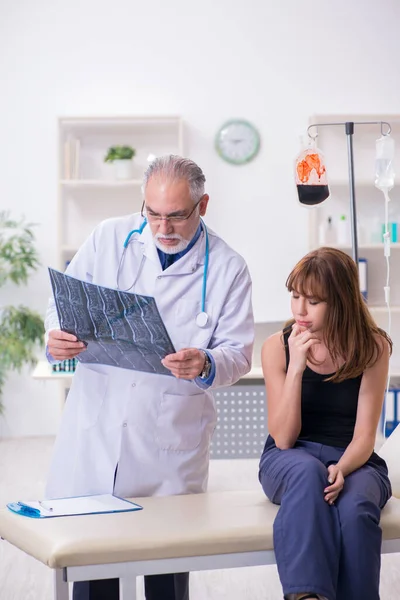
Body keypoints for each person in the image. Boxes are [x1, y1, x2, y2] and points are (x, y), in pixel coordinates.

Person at [44, 155, 254, 600]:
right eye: (153, 213)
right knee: (92, 568)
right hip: (97, 433)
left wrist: (207, 362)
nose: (163, 228)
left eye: (177, 216)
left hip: (167, 451)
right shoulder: (108, 238)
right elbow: (60, 304)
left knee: (166, 575)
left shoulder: (228, 268)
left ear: (204, 205)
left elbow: (238, 355)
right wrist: (56, 335)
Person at [258, 247, 392, 600]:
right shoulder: (277, 347)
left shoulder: (374, 347)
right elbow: (284, 439)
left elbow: (365, 435)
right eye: (295, 296)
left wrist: (343, 468)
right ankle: (308, 596)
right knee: (306, 472)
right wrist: (297, 367)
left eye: (313, 301)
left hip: (354, 457)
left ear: (341, 301)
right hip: (289, 458)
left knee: (357, 505)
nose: (299, 310)